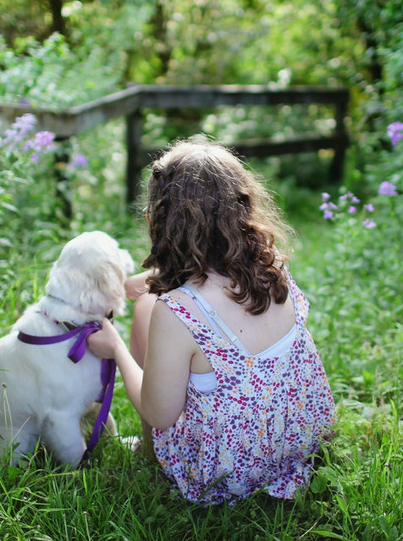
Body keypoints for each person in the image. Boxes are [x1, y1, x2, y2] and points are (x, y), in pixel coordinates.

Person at [86, 137, 336, 505]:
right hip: (297, 441)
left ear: (159, 219)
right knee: (147, 300)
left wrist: (117, 350)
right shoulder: (272, 267)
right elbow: (200, 283)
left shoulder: (176, 311)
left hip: (225, 470)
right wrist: (131, 284)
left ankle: (150, 452)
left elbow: (160, 414)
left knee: (145, 309)